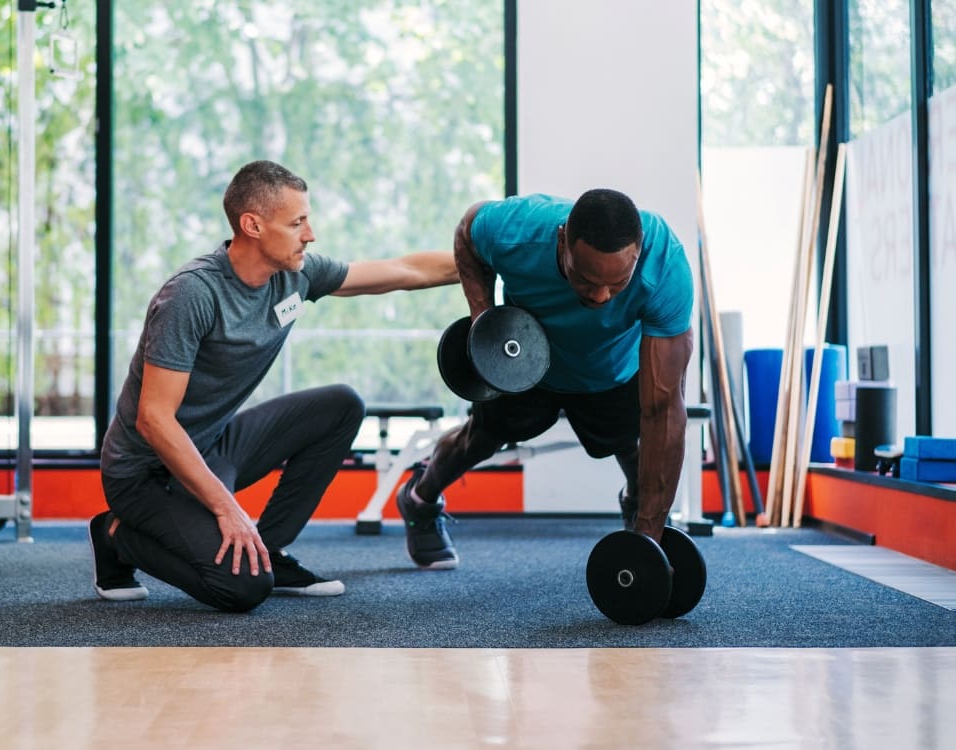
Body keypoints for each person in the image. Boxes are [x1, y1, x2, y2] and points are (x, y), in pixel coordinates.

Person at [91, 160, 458, 612]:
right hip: (143, 474)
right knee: (241, 588)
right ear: (253, 225)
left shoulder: (295, 275)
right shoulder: (191, 294)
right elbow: (154, 420)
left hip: (210, 446)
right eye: (298, 222)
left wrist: (484, 261)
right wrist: (228, 509)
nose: (311, 233)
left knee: (341, 405)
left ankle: (270, 547)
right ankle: (116, 536)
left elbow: (405, 271)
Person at [395, 189, 694, 570]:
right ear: (562, 241)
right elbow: (467, 232)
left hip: (608, 367)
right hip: (526, 360)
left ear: (637, 255)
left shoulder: (664, 263)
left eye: (617, 284)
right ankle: (420, 500)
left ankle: (642, 516)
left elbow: (663, 410)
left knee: (634, 445)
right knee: (479, 440)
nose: (601, 296)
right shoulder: (517, 230)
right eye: (586, 280)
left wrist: (648, 549)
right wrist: (484, 324)